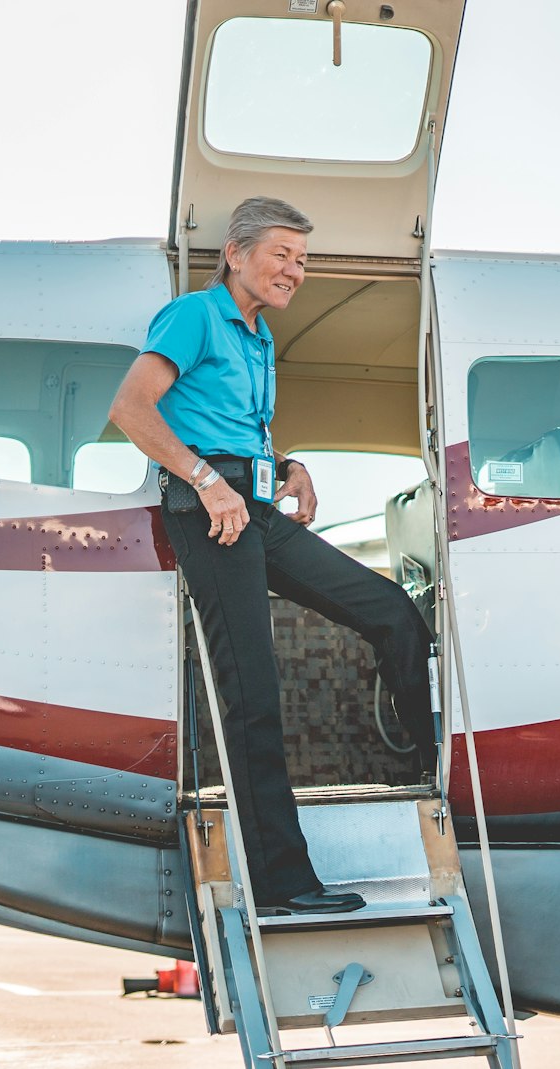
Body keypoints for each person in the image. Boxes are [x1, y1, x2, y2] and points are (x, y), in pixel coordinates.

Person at [109, 196, 436, 916]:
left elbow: (235, 428)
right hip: (211, 512)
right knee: (254, 695)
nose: (297, 270)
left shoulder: (257, 337)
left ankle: (437, 773)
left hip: (254, 503)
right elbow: (132, 408)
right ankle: (285, 882)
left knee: (390, 612)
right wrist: (205, 483)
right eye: (283, 254)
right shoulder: (195, 316)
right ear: (236, 252)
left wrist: (290, 464)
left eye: (303, 259)